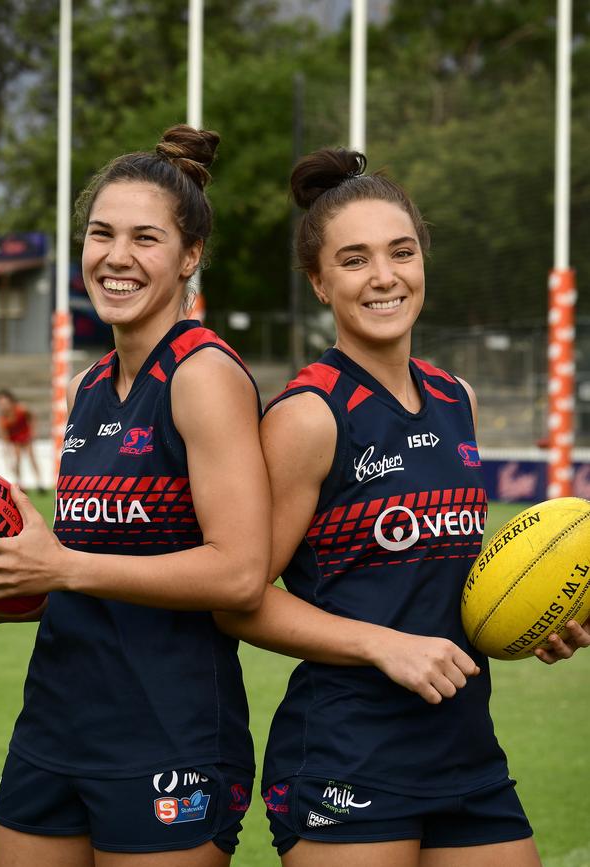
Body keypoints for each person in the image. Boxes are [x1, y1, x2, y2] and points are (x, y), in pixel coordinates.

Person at [215, 147, 590, 867]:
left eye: (402, 252)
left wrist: (535, 615)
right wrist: (381, 643)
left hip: (464, 745)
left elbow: (449, 579)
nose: (384, 276)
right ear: (320, 283)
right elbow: (238, 599)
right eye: (353, 260)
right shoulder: (308, 415)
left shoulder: (458, 399)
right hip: (347, 750)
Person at [0, 125, 270, 867]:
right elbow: (89, 562)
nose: (116, 256)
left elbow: (240, 572)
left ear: (189, 257)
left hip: (168, 730)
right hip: (55, 723)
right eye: (101, 234)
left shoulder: (202, 374)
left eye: (145, 238)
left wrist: (59, 569)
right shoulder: (88, 384)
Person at [0, 388, 45, 492]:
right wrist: (7, 451)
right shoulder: (2, 419)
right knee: (17, 460)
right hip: (15, 440)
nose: (3, 406)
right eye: (0, 404)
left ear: (10, 402)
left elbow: (32, 417)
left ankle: (40, 483)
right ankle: (20, 483)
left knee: (32, 458)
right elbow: (4, 436)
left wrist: (33, 430)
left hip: (26, 436)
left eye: (4, 403)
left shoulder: (21, 409)